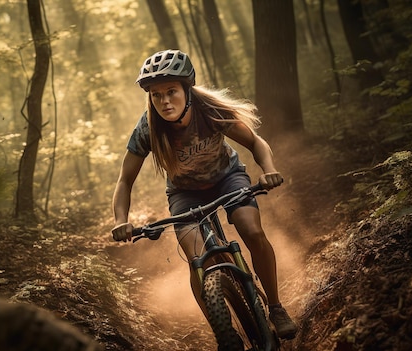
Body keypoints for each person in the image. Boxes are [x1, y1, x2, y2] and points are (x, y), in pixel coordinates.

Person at [110, 49, 298, 339]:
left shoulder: (209, 109)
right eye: (156, 95)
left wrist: (269, 169)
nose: (164, 101)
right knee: (196, 258)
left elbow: (255, 142)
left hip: (228, 178)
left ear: (187, 89)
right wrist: (120, 219)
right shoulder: (148, 126)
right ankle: (224, 334)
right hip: (185, 194)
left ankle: (275, 307)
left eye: (171, 91)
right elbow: (125, 180)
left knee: (251, 229)